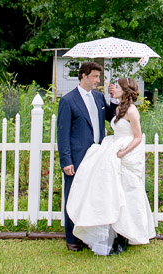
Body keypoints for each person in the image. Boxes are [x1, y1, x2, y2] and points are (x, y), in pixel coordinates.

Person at [66, 77, 156, 256]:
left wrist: (123, 152)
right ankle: (114, 233)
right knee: (112, 192)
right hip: (113, 148)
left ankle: (123, 237)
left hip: (125, 153)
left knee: (127, 194)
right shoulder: (119, 109)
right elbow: (112, 116)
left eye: (117, 87)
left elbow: (137, 137)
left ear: (125, 90)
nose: (113, 88)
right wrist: (112, 97)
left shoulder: (132, 111)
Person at [56, 61, 117, 251]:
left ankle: (88, 235)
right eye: (95, 77)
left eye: (99, 77)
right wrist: (66, 160)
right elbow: (63, 133)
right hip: (78, 157)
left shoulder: (99, 98)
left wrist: (114, 99)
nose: (98, 81)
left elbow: (112, 117)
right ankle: (72, 238)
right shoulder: (68, 100)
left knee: (92, 197)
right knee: (73, 196)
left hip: (98, 156)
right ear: (83, 76)